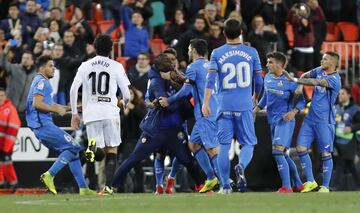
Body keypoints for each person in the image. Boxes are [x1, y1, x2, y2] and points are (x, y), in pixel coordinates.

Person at [110, 53, 204, 195]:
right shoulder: (156, 83)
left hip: (173, 131)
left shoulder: (175, 78)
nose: (172, 73)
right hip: (157, 132)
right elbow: (168, 106)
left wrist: (179, 94)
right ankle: (111, 187)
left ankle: (201, 186)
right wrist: (178, 98)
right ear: (161, 73)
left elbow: (186, 95)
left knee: (188, 161)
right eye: (169, 71)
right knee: (133, 159)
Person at [202, 18, 263, 194]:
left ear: (224, 33)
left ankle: (225, 186)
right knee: (249, 143)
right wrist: (255, 97)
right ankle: (241, 166)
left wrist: (206, 103)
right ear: (242, 32)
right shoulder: (252, 52)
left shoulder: (216, 53)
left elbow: (210, 80)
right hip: (244, 106)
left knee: (223, 145)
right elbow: (259, 80)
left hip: (224, 106)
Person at [25, 55, 96, 195]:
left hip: (41, 126)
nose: (53, 68)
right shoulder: (42, 82)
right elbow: (37, 104)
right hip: (43, 126)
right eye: (50, 66)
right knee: (74, 147)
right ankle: (49, 175)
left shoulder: (39, 81)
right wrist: (56, 110)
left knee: (74, 153)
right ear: (42, 67)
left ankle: (83, 188)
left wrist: (71, 108)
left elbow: (50, 104)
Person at [69, 35, 131, 195]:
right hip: (110, 112)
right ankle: (108, 187)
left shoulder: (85, 65)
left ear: (95, 47)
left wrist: (75, 113)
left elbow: (73, 89)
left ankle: (92, 148)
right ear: (111, 49)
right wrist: (124, 102)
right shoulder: (116, 66)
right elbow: (126, 93)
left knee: (97, 151)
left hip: (91, 114)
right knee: (112, 150)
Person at [159, 39, 220, 193]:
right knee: (193, 145)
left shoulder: (193, 67)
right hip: (215, 109)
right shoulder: (212, 66)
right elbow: (194, 86)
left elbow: (186, 91)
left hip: (205, 112)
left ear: (193, 50)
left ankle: (225, 182)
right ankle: (211, 177)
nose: (187, 52)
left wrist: (169, 100)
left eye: (188, 49)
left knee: (212, 149)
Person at [284, 51, 341, 193]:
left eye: (325, 59)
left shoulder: (335, 79)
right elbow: (305, 75)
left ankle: (325, 186)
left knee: (326, 153)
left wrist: (296, 80)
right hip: (310, 119)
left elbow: (317, 82)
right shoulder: (319, 70)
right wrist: (299, 85)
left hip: (324, 121)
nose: (322, 61)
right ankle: (311, 181)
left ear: (333, 63)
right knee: (300, 147)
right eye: (322, 58)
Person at [253, 52, 305, 193]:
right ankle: (299, 184)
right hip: (272, 120)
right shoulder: (268, 77)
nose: (267, 64)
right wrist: (256, 110)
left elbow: (302, 101)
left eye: (270, 62)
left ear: (279, 65)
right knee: (283, 154)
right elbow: (265, 97)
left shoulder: (290, 82)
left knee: (277, 152)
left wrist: (293, 112)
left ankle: (287, 187)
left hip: (285, 121)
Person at [332, 87, 360, 190]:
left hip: (350, 141)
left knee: (341, 161)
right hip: (336, 140)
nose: (340, 96)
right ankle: (358, 185)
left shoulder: (355, 109)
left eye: (343, 94)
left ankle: (334, 186)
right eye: (339, 94)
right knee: (350, 165)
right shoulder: (335, 109)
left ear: (349, 95)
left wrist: (351, 128)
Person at [0, 87, 21, 190]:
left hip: (5, 144)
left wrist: (6, 147)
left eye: (2, 95)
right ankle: (1, 183)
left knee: (6, 163)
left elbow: (13, 130)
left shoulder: (10, 109)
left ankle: (13, 184)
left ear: (5, 96)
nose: (0, 98)